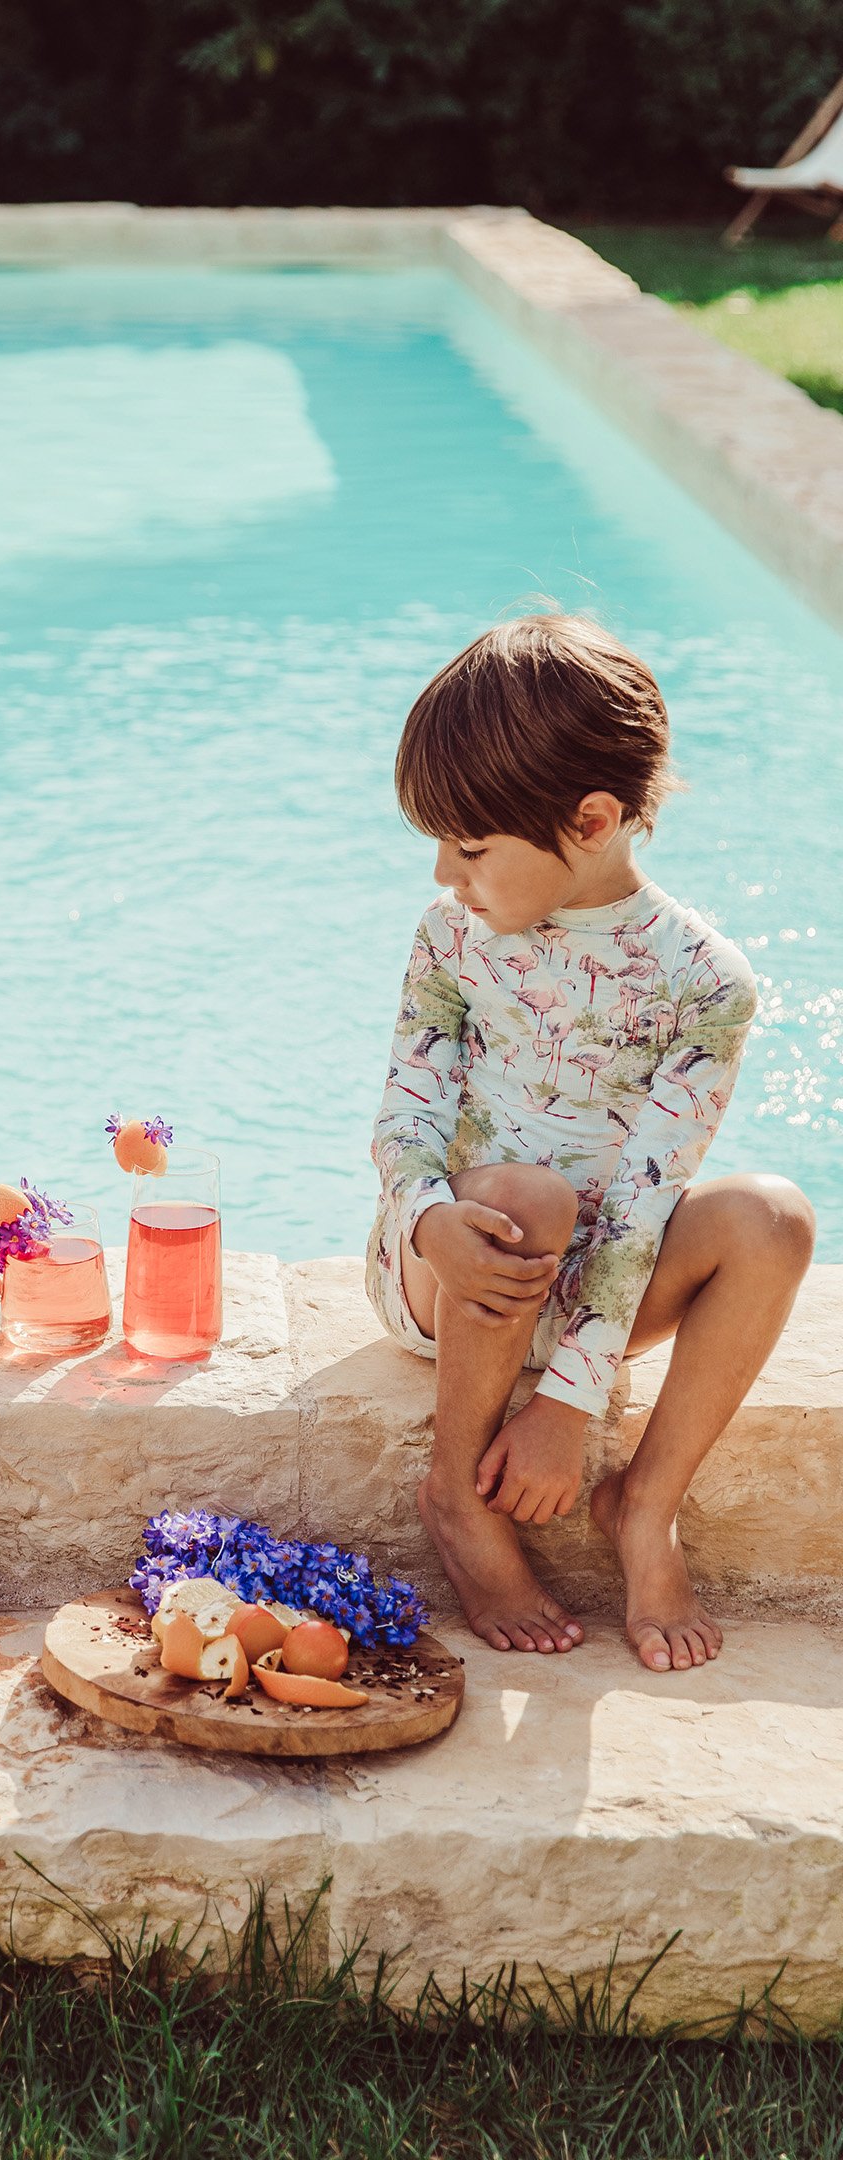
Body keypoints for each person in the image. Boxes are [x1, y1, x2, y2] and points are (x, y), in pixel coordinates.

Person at [370, 614, 814, 1674]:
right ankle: (456, 1493)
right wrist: (430, 1221)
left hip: (597, 1289)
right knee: (528, 1195)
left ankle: (644, 1507)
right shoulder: (453, 936)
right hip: (449, 1268)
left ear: (594, 817)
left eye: (471, 847)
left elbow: (649, 1204)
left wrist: (571, 1399)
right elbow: (406, 1122)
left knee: (772, 1221)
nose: (444, 872)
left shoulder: (707, 982)